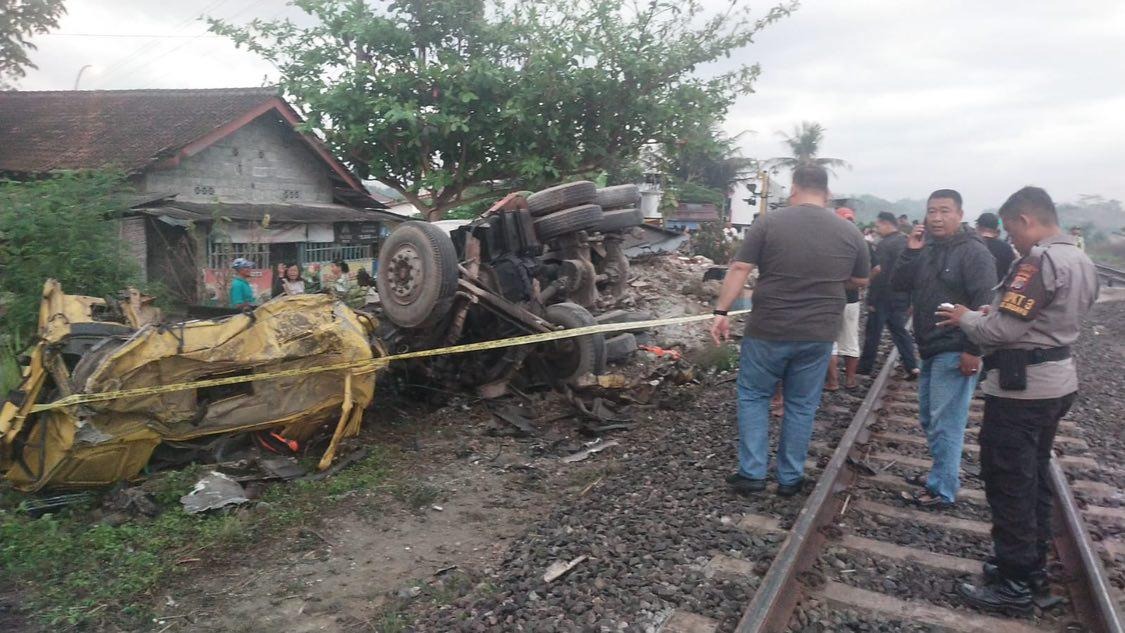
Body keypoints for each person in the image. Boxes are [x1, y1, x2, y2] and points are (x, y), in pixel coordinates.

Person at [938, 187, 1098, 615]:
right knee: (1034, 477)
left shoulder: (1039, 262)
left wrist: (965, 317)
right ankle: (1029, 566)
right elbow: (1048, 316)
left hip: (1022, 389)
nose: (1013, 242)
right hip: (1058, 382)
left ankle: (1013, 584)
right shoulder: (1081, 259)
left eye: (1012, 231)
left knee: (1010, 481)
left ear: (1026, 220)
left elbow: (999, 334)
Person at [711, 164, 869, 497]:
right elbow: (861, 279)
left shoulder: (769, 223)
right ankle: (790, 477)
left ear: (794, 188)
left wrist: (721, 312)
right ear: (827, 193)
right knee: (801, 404)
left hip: (768, 329)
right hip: (819, 333)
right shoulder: (850, 232)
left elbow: (740, 267)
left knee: (754, 397)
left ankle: (752, 474)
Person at [891, 189, 997, 507]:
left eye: (944, 211)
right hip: (931, 347)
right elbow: (898, 284)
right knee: (929, 418)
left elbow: (985, 306)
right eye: (932, 211)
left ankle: (944, 489)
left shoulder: (975, 253)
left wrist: (973, 350)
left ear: (960, 214)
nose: (936, 217)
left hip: (956, 347)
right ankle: (941, 475)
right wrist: (910, 250)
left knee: (946, 422)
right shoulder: (928, 248)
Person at [858, 212, 919, 379]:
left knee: (873, 333)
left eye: (878, 226)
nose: (877, 230)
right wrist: (912, 298)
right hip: (902, 296)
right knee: (900, 331)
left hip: (883, 297)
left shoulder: (886, 245)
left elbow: (881, 274)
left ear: (886, 224)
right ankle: (912, 366)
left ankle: (864, 368)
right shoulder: (907, 241)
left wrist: (871, 299)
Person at [826, 207, 863, 390]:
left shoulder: (828, 243)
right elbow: (871, 273)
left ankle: (832, 382)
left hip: (830, 298)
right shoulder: (859, 242)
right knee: (850, 340)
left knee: (830, 340)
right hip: (851, 299)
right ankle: (850, 379)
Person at [976, 212, 1017, 280]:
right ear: (996, 227)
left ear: (978, 226)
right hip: (999, 288)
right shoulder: (1006, 248)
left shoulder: (971, 246)